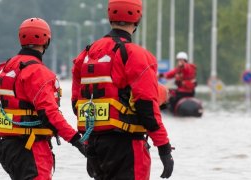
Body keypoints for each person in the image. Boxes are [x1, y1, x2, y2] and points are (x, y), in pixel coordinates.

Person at [70, 0, 174, 179]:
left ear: (110, 17)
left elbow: (76, 104)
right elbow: (146, 107)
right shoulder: (135, 55)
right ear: (138, 19)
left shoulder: (86, 54)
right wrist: (164, 148)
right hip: (126, 146)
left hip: (94, 147)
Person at [0, 17, 85, 180]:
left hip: (8, 149)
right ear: (47, 41)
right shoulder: (38, 72)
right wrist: (76, 140)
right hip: (31, 148)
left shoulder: (6, 68)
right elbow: (50, 114)